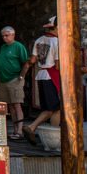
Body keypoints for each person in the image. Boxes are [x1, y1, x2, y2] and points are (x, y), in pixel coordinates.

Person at [21, 17, 60, 145]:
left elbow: (32, 61)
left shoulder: (38, 40)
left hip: (41, 74)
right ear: (57, 27)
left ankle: (36, 128)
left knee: (50, 108)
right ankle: (51, 137)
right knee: (56, 109)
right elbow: (57, 65)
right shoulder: (57, 42)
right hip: (51, 75)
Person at [0, 26, 29, 141]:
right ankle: (15, 129)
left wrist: (21, 76)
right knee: (10, 105)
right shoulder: (3, 47)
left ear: (13, 35)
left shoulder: (18, 47)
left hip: (14, 79)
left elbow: (26, 63)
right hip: (4, 80)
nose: (4, 38)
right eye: (3, 36)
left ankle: (20, 131)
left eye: (6, 35)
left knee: (17, 104)